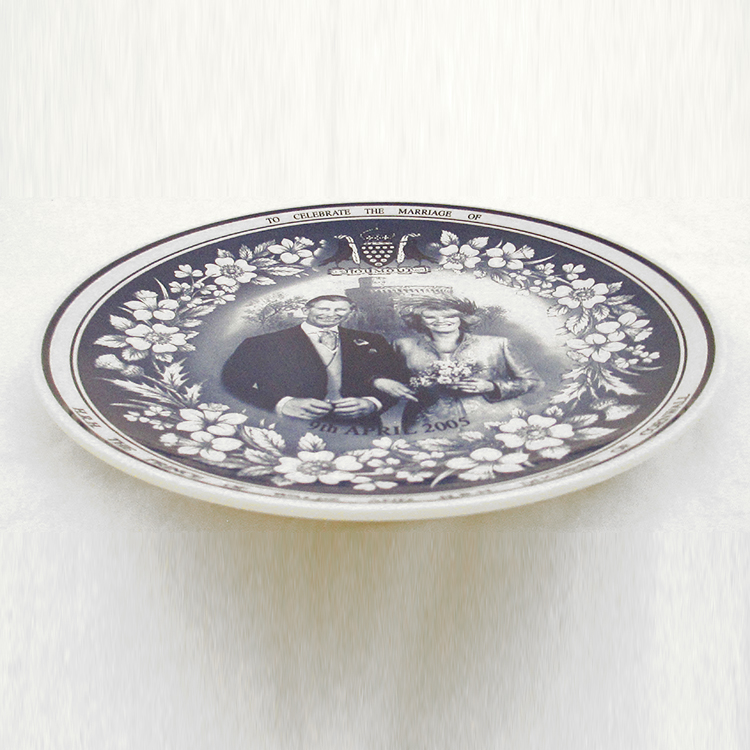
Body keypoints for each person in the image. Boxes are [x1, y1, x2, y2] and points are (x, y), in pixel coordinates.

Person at [221, 295, 403, 422]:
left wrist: (373, 403)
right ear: (305, 310)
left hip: (361, 427)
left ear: (350, 312)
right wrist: (282, 405)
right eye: (324, 308)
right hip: (291, 428)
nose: (331, 314)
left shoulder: (373, 340)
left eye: (340, 309)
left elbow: (398, 378)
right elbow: (231, 384)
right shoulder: (261, 343)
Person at [373, 296, 543, 430]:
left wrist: (492, 387)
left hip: (493, 419)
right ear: (419, 320)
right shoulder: (402, 345)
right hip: (426, 422)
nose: (440, 321)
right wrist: (381, 381)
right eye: (430, 317)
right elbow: (384, 378)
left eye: (450, 316)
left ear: (463, 318)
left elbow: (533, 382)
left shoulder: (497, 344)